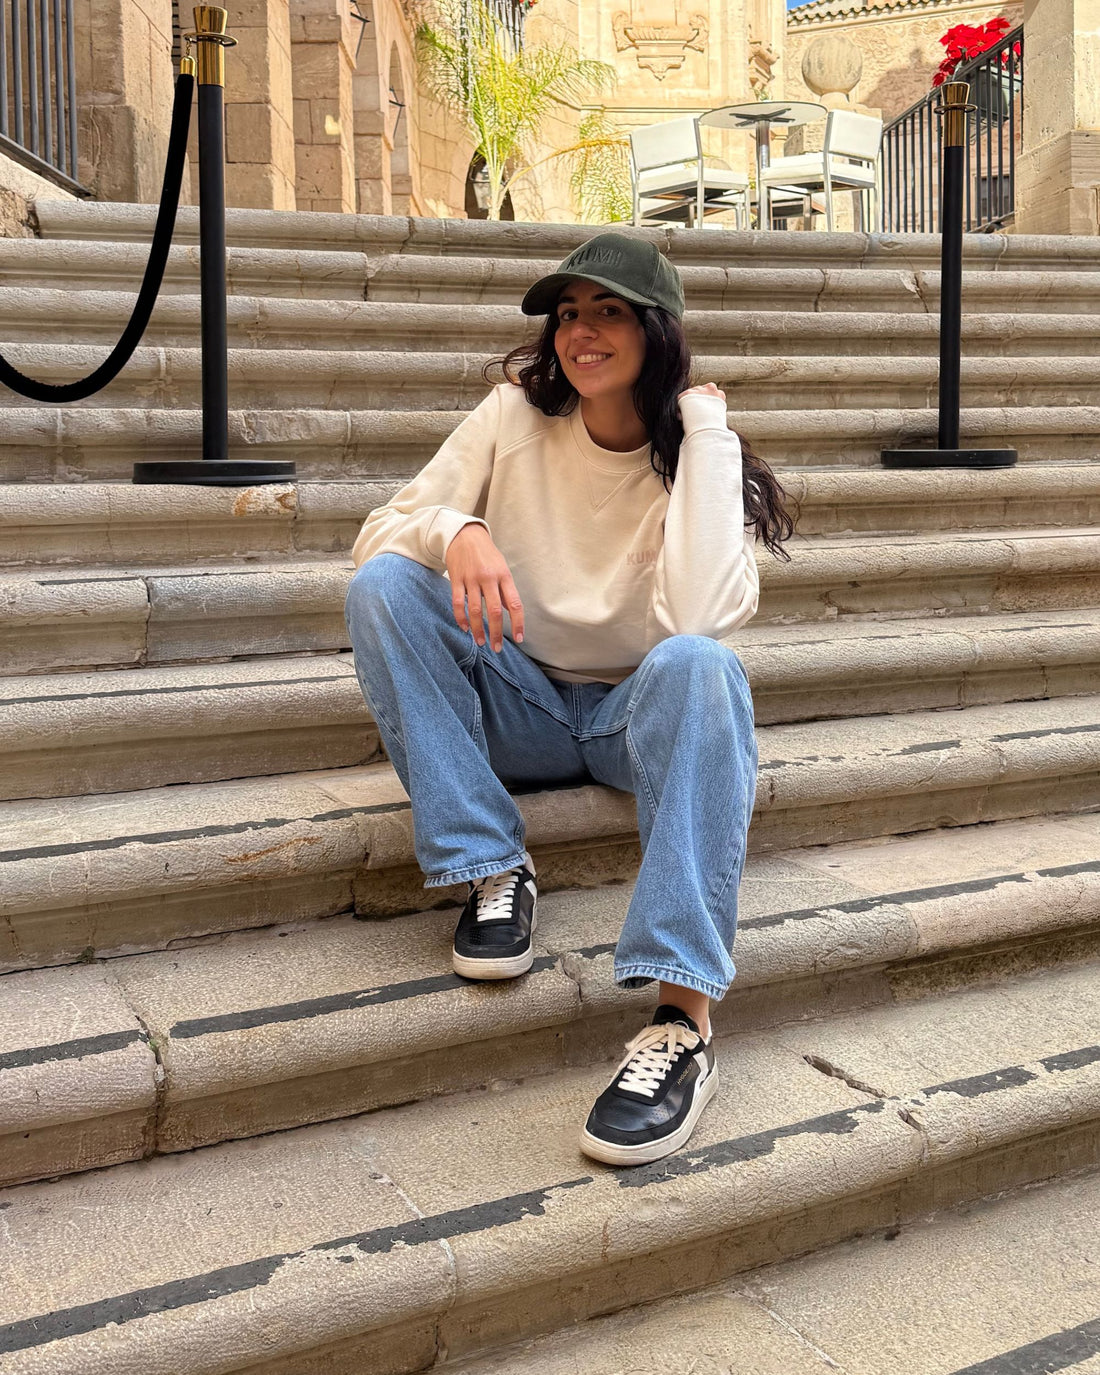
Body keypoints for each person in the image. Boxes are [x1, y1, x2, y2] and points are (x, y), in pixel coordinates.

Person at [344, 232, 793, 1167]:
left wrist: (708, 434)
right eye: (569, 314)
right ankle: (490, 864)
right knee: (386, 584)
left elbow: (704, 615)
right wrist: (458, 528)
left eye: (610, 311)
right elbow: (380, 530)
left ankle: (683, 1022)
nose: (582, 333)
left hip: (633, 718)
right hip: (524, 696)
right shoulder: (512, 416)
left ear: (656, 330)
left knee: (704, 668)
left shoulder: (696, 457)